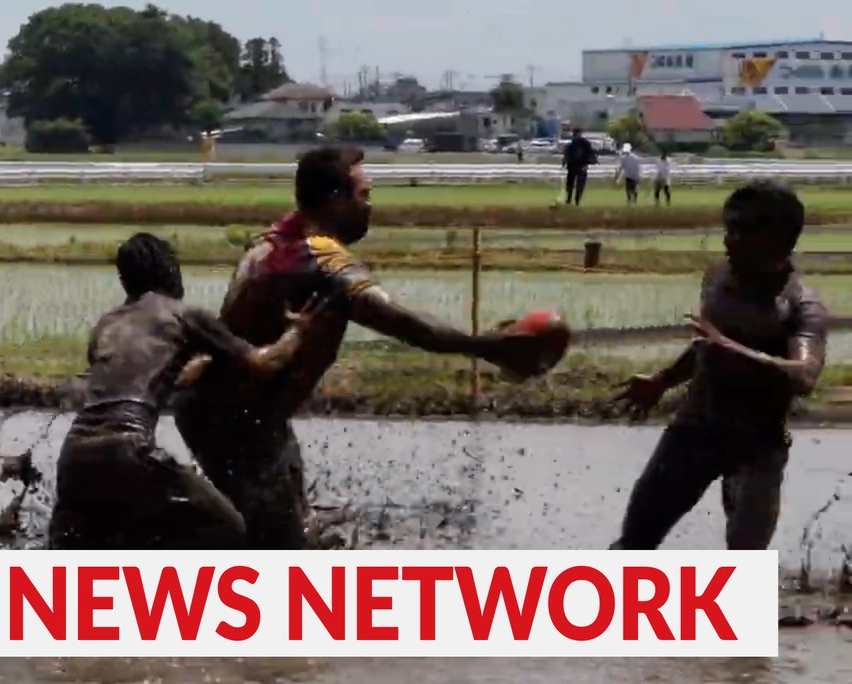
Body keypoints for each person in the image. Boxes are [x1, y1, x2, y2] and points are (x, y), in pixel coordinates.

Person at [171, 145, 562, 550]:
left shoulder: (269, 243)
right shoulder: (318, 258)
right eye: (364, 196)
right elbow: (406, 324)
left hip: (236, 411)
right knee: (278, 542)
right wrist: (492, 346)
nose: (370, 206)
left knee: (292, 521)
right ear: (335, 199)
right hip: (235, 421)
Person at [47, 233, 326, 550]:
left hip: (74, 457)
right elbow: (265, 361)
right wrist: (298, 330)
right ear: (170, 270)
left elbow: (141, 380)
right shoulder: (183, 315)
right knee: (230, 528)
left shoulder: (106, 326)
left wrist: (199, 367)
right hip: (129, 451)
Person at [609, 180, 828, 551]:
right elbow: (705, 347)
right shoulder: (717, 279)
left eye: (741, 232)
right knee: (633, 544)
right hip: (693, 432)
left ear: (779, 240)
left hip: (758, 443)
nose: (728, 241)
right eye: (728, 229)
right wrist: (662, 381)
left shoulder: (801, 306)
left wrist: (730, 346)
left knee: (744, 561)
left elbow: (804, 374)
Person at [561, 128, 597, 206]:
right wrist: (564, 160)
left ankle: (577, 201)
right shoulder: (571, 144)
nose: (575, 136)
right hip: (572, 166)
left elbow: (590, 154)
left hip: (582, 166)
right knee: (570, 184)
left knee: (580, 185)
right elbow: (566, 154)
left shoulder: (585, 144)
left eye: (576, 134)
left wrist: (587, 163)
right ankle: (568, 200)